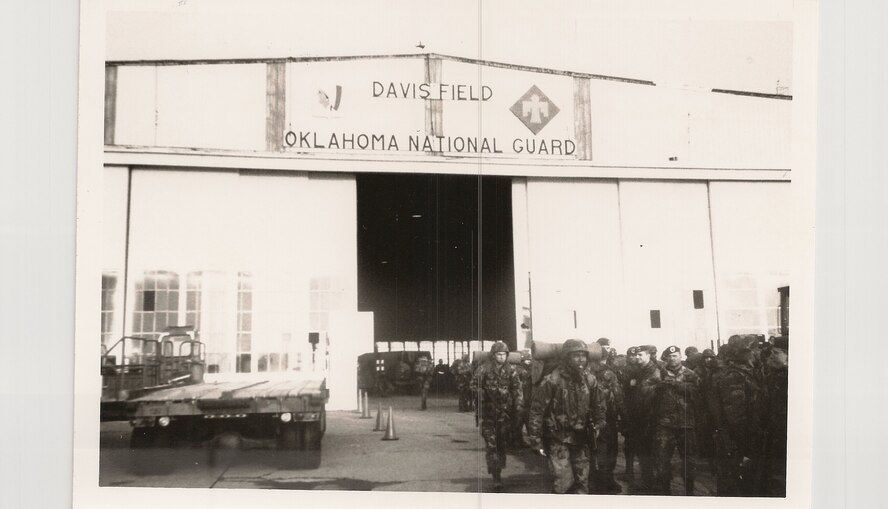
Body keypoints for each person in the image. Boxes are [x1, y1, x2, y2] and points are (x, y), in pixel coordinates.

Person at [528, 339, 606, 494]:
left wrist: (599, 424)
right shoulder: (552, 380)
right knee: (563, 482)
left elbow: (599, 405)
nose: (581, 360)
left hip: (582, 438)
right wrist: (535, 439)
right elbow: (537, 411)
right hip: (558, 439)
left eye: (583, 356)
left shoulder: (590, 379)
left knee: (582, 482)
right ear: (566, 357)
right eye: (576, 356)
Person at [709, 343, 765, 496]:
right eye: (752, 352)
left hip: (744, 437)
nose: (757, 354)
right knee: (734, 482)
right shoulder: (734, 376)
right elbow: (735, 415)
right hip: (736, 439)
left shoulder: (747, 373)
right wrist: (746, 444)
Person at [471, 342, 524, 491]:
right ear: (493, 355)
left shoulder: (511, 371)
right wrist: (480, 393)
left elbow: (517, 390)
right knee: (491, 446)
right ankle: (496, 477)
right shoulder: (484, 370)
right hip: (488, 415)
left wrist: (518, 408)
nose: (501, 357)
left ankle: (499, 468)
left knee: (501, 446)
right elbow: (473, 384)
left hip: (505, 415)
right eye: (498, 354)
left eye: (503, 354)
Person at [651, 345, 701, 495]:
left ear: (681, 357)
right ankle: (666, 493)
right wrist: (658, 387)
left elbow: (699, 394)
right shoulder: (659, 374)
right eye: (670, 356)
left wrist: (679, 386)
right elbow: (647, 391)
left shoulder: (690, 374)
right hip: (665, 424)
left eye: (675, 356)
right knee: (663, 460)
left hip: (686, 424)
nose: (673, 359)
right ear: (666, 358)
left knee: (688, 461)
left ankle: (689, 493)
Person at [624, 344, 660, 493]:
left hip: (651, 417)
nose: (637, 358)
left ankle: (653, 485)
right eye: (636, 355)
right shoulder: (639, 371)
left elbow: (653, 396)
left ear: (649, 355)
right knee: (643, 451)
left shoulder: (654, 371)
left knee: (651, 451)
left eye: (641, 355)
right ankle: (648, 483)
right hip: (639, 417)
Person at [590, 345, 624, 493]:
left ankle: (593, 480)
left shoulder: (584, 372)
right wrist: (624, 417)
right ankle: (606, 482)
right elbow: (618, 397)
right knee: (609, 450)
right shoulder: (609, 373)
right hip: (607, 418)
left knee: (592, 450)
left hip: (589, 418)